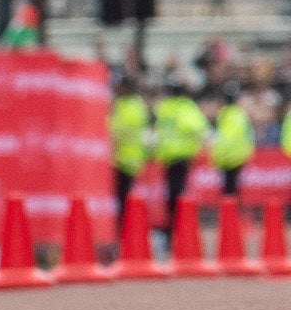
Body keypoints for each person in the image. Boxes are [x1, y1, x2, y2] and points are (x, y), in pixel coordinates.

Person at [151, 82, 210, 236]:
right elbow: (198, 128)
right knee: (179, 193)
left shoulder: (165, 107)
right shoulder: (186, 107)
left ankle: (172, 226)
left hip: (167, 156)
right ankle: (180, 227)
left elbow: (158, 129)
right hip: (182, 155)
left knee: (172, 193)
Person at [108, 75, 151, 225]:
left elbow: (118, 130)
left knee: (124, 199)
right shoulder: (130, 104)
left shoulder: (130, 106)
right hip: (125, 158)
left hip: (126, 159)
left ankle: (125, 229)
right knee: (123, 197)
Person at [210, 87, 255, 199]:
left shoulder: (223, 113)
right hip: (235, 156)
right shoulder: (239, 114)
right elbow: (248, 135)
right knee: (232, 187)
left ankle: (229, 210)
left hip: (226, 156)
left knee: (229, 187)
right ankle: (230, 211)